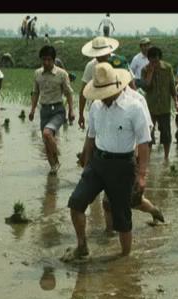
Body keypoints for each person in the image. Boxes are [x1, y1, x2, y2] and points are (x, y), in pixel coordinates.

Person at [65, 63, 150, 260]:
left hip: (122, 166)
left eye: (104, 92)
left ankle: (124, 261)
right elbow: (91, 136)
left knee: (122, 218)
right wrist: (86, 160)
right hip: (97, 163)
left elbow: (144, 143)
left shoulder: (134, 107)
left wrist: (142, 175)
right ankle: (82, 247)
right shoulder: (96, 106)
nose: (101, 96)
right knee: (76, 204)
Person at [101, 63, 166, 230]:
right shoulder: (103, 99)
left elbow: (146, 133)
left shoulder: (137, 100)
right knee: (108, 202)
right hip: (110, 160)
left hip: (132, 157)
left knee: (131, 200)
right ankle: (109, 234)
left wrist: (140, 165)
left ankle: (153, 210)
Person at [29, 46, 75, 175]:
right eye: (44, 60)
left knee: (47, 134)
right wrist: (32, 110)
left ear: (54, 60)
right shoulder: (37, 73)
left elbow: (69, 93)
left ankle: (57, 158)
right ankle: (53, 171)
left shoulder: (62, 74)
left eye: (49, 60)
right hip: (44, 110)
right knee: (46, 143)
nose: (46, 63)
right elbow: (35, 92)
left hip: (58, 111)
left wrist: (71, 110)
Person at [142, 46, 178, 158]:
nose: (154, 63)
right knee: (148, 135)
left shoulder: (167, 68)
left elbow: (172, 88)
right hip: (150, 108)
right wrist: (150, 72)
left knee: (166, 135)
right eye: (152, 61)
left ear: (160, 58)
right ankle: (147, 160)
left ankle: (166, 158)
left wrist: (176, 103)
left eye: (156, 61)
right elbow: (146, 87)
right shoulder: (144, 70)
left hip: (164, 108)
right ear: (148, 60)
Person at [78, 36, 120, 131]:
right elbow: (83, 92)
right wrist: (81, 115)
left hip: (117, 106)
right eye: (97, 55)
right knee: (93, 137)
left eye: (102, 54)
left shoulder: (118, 62)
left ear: (108, 51)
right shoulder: (91, 66)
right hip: (97, 107)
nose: (100, 57)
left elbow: (130, 84)